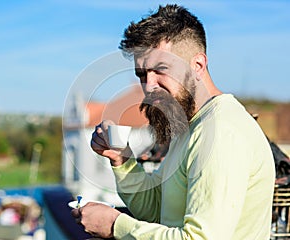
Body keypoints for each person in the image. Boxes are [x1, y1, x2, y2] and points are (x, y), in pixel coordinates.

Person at [72, 4, 275, 239]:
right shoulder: (190, 125)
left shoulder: (220, 130)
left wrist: (117, 225)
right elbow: (158, 209)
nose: (149, 86)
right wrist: (122, 159)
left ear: (197, 65)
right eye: (142, 75)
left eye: (161, 69)